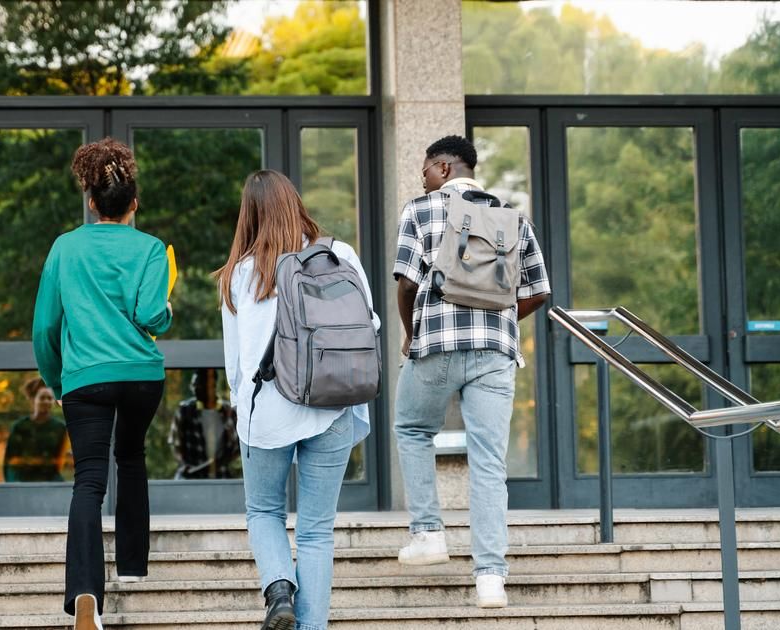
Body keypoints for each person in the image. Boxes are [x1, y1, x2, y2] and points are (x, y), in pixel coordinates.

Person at [391, 135, 550, 608]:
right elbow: (539, 290)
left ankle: (428, 534)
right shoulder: (511, 216)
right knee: (489, 461)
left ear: (442, 167)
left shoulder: (420, 210)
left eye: (424, 170)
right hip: (495, 353)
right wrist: (497, 321)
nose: (422, 178)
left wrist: (411, 332)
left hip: (436, 343)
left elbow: (405, 283)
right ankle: (490, 578)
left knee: (413, 427)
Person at [217, 170, 375, 630]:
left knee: (263, 510)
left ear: (249, 214)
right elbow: (372, 325)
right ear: (295, 203)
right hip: (332, 404)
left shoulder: (239, 273)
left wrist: (239, 408)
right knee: (316, 531)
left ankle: (280, 588)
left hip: (266, 409)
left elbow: (235, 365)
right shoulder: (338, 254)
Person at [32, 137, 172, 630]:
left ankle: (86, 592)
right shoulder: (151, 248)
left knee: (89, 480)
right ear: (133, 203)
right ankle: (133, 567)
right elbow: (153, 315)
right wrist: (167, 309)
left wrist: (60, 379)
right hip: (140, 376)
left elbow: (45, 327)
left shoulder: (65, 247)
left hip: (85, 380)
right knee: (131, 456)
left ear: (92, 202)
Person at [168, 369, 239, 480]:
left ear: (212, 385)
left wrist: (212, 466)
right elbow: (175, 444)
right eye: (193, 385)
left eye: (198, 384)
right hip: (189, 478)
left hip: (220, 478)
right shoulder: (185, 410)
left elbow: (235, 449)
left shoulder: (227, 412)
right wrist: (185, 467)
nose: (194, 388)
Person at [3, 377, 70, 482]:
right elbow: (10, 461)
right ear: (33, 399)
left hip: (50, 481)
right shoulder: (20, 426)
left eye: (49, 398)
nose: (46, 401)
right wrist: (13, 485)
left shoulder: (60, 428)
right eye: (42, 398)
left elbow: (62, 461)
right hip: (22, 481)